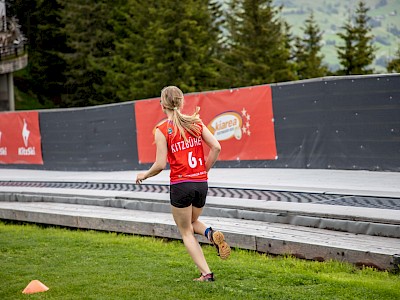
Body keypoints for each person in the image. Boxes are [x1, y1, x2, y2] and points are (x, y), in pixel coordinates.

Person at [136, 86, 231, 282]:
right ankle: (210, 233)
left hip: (181, 185)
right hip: (200, 183)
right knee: (192, 223)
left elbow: (160, 164)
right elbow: (216, 147)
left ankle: (207, 274)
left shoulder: (162, 130)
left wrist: (145, 175)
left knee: (185, 231)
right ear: (181, 101)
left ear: (162, 104)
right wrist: (204, 170)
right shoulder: (196, 123)